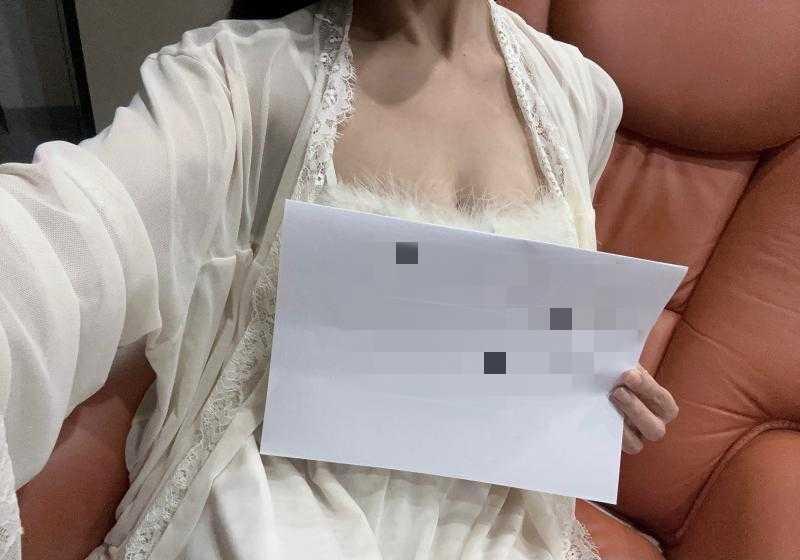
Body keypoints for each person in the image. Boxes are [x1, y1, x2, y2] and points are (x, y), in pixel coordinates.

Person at [0, 0, 680, 558]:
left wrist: (584, 391)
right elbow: (67, 229)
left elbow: (522, 316)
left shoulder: (582, 97)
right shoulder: (239, 80)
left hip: (491, 513)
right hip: (282, 499)